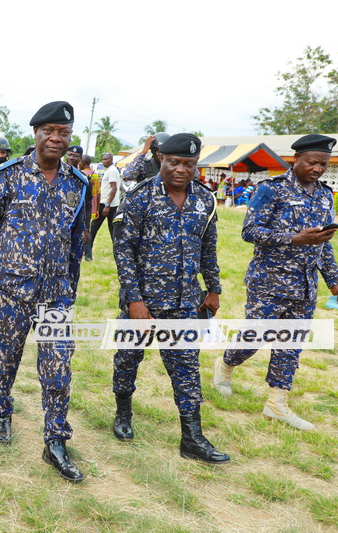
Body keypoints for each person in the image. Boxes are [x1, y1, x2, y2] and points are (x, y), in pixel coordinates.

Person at [0, 101, 89, 482]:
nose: (55, 138)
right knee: (6, 357)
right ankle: (1, 409)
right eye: (48, 130)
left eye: (63, 132)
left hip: (56, 295)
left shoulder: (76, 184)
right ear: (35, 133)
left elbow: (77, 241)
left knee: (58, 369)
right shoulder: (9, 176)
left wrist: (71, 287)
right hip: (12, 290)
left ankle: (56, 442)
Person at [111, 133, 230, 464]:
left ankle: (191, 438)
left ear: (196, 165)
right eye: (174, 162)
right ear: (161, 160)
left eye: (189, 164)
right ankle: (123, 413)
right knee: (127, 360)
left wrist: (214, 288)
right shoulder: (139, 197)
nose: (181, 169)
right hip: (143, 304)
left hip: (184, 304)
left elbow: (208, 247)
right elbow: (124, 251)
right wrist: (135, 300)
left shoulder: (205, 200)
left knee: (187, 369)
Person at [214, 134, 338, 431]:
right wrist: (293, 239)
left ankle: (276, 403)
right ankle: (226, 364)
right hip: (268, 282)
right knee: (256, 337)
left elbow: (324, 244)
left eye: (323, 164)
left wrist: (333, 282)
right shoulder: (271, 190)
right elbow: (250, 231)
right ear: (295, 159)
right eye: (312, 162)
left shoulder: (325, 195)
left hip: (305, 285)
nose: (318, 168)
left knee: (290, 345)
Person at [92, 152, 120, 241]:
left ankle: (87, 251)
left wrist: (107, 205)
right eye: (103, 159)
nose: (104, 161)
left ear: (111, 160)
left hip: (107, 204)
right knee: (113, 230)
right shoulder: (111, 170)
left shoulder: (111, 171)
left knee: (93, 228)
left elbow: (114, 188)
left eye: (106, 159)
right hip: (110, 203)